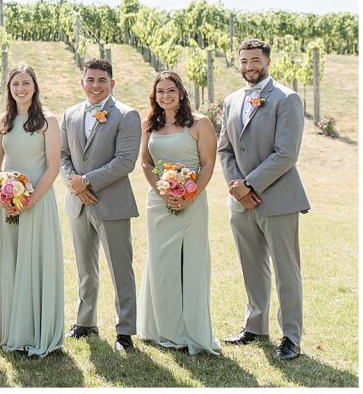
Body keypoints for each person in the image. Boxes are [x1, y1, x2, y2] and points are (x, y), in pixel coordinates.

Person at [217, 38, 310, 361]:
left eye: (255, 60)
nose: (249, 67)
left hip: (278, 199)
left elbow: (286, 154)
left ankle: (291, 336)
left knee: (287, 271)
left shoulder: (287, 99)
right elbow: (224, 149)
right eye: (243, 61)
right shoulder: (230, 100)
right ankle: (255, 326)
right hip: (239, 201)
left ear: (267, 61)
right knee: (251, 266)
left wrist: (250, 184)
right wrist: (235, 186)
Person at [136, 72, 220, 355]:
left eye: (171, 90)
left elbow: (208, 164)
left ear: (181, 93)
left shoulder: (200, 123)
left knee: (192, 264)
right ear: (154, 95)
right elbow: (146, 164)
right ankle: (164, 329)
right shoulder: (149, 124)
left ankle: (192, 331)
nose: (165, 96)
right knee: (162, 265)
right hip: (158, 202)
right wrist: (163, 192)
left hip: (192, 202)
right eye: (160, 91)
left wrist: (189, 195)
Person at [60, 58, 140, 352]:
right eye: (90, 80)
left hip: (113, 203)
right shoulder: (69, 114)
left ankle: (126, 330)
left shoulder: (127, 115)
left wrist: (87, 182)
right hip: (77, 203)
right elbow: (62, 155)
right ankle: (85, 321)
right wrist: (75, 185)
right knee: (84, 268)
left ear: (112, 84)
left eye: (101, 81)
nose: (95, 86)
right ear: (82, 82)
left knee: (121, 268)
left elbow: (125, 161)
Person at [0, 65, 64, 357]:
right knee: (12, 260)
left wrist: (30, 199)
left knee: (35, 261)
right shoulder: (3, 121)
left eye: (26, 83)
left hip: (38, 201)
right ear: (9, 88)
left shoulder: (48, 121)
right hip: (8, 203)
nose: (20, 88)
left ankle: (36, 329)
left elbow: (53, 166)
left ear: (35, 86)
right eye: (15, 83)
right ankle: (11, 328)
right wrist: (2, 193)